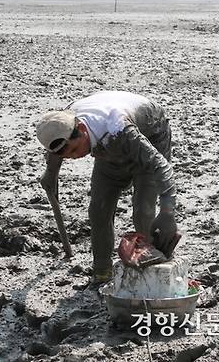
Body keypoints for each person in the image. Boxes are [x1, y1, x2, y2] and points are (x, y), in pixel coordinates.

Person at [35, 91, 179, 283]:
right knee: (98, 210)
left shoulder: (118, 128)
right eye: (66, 155)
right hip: (107, 147)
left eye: (75, 150)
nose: (74, 157)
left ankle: (154, 271)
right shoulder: (63, 122)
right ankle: (102, 272)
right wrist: (51, 174)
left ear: (82, 129)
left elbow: (162, 168)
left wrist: (168, 212)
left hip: (151, 133)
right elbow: (57, 148)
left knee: (143, 210)